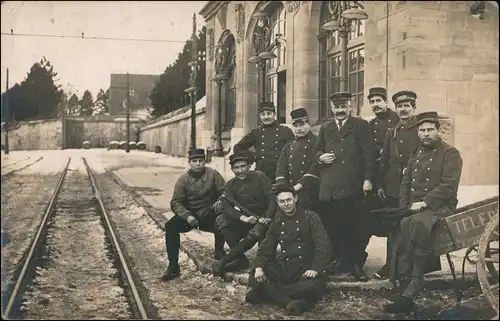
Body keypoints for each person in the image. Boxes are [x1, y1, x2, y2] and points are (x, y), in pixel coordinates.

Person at [384, 111, 463, 314]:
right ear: (418, 133)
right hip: (414, 206)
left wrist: (425, 203)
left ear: (438, 131)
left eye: (430, 130)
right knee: (399, 224)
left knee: (416, 223)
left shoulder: (450, 153)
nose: (426, 134)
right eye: (422, 130)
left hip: (440, 206)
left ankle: (415, 282)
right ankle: (400, 284)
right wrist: (404, 206)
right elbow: (405, 183)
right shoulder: (416, 153)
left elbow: (448, 186)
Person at [313, 91, 374, 280]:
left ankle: (355, 264)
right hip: (330, 186)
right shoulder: (326, 128)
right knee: (334, 226)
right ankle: (341, 261)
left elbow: (369, 155)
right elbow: (316, 150)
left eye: (344, 106)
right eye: (336, 107)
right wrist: (320, 157)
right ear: (331, 108)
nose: (340, 110)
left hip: (352, 184)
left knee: (354, 227)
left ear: (350, 107)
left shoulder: (360, 125)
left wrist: (368, 179)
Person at [245, 184, 332, 316]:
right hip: (285, 266)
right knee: (255, 276)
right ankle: (291, 302)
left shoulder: (311, 217)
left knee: (310, 287)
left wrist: (315, 268)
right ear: (278, 203)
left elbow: (323, 245)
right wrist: (259, 267)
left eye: (289, 200)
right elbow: (266, 246)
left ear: (295, 199)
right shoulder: (277, 221)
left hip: (306, 267)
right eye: (282, 201)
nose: (286, 204)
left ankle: (268, 294)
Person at [371, 90, 423, 279]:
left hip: (414, 188)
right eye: (399, 106)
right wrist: (380, 185)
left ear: (414, 108)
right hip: (393, 188)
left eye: (406, 106)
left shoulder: (422, 129)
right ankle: (391, 265)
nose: (403, 109)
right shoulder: (392, 132)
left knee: (412, 227)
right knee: (393, 228)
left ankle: (413, 268)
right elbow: (384, 160)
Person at [161, 148, 226, 281]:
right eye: (194, 161)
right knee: (170, 226)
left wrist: (221, 200)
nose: (198, 164)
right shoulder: (183, 180)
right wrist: (187, 216)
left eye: (200, 161)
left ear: (205, 162)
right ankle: (173, 266)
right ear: (189, 162)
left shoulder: (214, 175)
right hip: (191, 216)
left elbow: (226, 192)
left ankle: (219, 251)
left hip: (209, 214)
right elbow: (175, 202)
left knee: (223, 218)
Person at [213, 152, 277, 277]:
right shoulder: (231, 184)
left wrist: (268, 217)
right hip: (249, 220)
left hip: (267, 218)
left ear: (249, 166)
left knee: (258, 230)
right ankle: (240, 260)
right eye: (236, 168)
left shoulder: (260, 176)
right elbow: (227, 207)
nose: (240, 170)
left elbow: (272, 198)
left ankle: (225, 260)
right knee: (221, 220)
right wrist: (244, 218)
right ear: (232, 169)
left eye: (243, 166)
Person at [233, 102, 294, 183]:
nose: (266, 117)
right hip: (261, 173)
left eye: (269, 113)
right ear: (260, 116)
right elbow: (238, 148)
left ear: (274, 114)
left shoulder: (286, 131)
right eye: (263, 114)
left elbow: (293, 151)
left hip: (280, 173)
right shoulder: (256, 132)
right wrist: (253, 156)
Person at [275, 108, 320, 211]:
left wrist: (299, 186)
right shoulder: (288, 146)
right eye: (295, 126)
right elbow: (281, 168)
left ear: (309, 124)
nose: (298, 129)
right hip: (291, 193)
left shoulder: (317, 142)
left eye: (302, 125)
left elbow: (316, 166)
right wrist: (284, 189)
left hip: (310, 191)